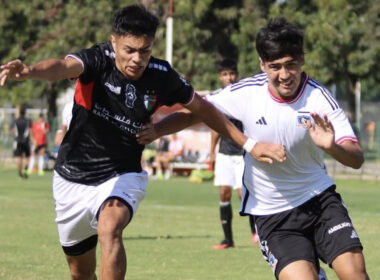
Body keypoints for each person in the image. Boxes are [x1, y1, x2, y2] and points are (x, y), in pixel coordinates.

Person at [0, 5, 282, 280]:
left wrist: (248, 144)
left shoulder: (161, 75)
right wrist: (28, 71)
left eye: (145, 50)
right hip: (71, 180)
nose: (137, 58)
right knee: (80, 273)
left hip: (122, 174)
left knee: (110, 228)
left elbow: (203, 109)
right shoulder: (98, 59)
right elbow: (63, 66)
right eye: (129, 50)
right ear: (114, 42)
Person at [137, 17, 369, 280]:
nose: (284, 75)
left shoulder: (319, 98)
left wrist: (332, 148)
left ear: (302, 60)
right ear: (262, 64)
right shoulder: (246, 93)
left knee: (355, 275)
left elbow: (356, 158)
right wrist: (157, 130)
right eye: (275, 67)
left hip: (319, 200)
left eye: (291, 65)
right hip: (272, 213)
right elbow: (195, 112)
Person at [209, 59, 258, 250]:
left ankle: (255, 231)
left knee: (242, 193)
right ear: (220, 77)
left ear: (236, 74)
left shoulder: (243, 96)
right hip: (224, 154)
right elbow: (214, 127)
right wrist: (211, 152)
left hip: (242, 153)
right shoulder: (216, 98)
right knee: (224, 192)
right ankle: (228, 240)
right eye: (224, 74)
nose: (228, 77)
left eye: (231, 73)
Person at [11, 106, 31, 179]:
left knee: (19, 158)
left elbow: (13, 131)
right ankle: (25, 170)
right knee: (27, 156)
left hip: (18, 141)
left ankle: (20, 174)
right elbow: (30, 131)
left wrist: (16, 136)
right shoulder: (28, 121)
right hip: (26, 141)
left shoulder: (16, 121)